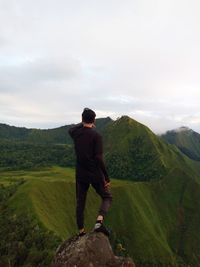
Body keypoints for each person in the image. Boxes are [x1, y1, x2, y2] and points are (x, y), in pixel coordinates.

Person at [68, 108, 113, 237]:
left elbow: (71, 130)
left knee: (80, 202)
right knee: (107, 197)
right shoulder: (96, 136)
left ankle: (81, 232)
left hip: (81, 174)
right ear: (94, 120)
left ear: (82, 120)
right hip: (95, 174)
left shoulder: (76, 134)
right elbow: (99, 158)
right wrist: (106, 177)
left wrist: (82, 123)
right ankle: (99, 222)